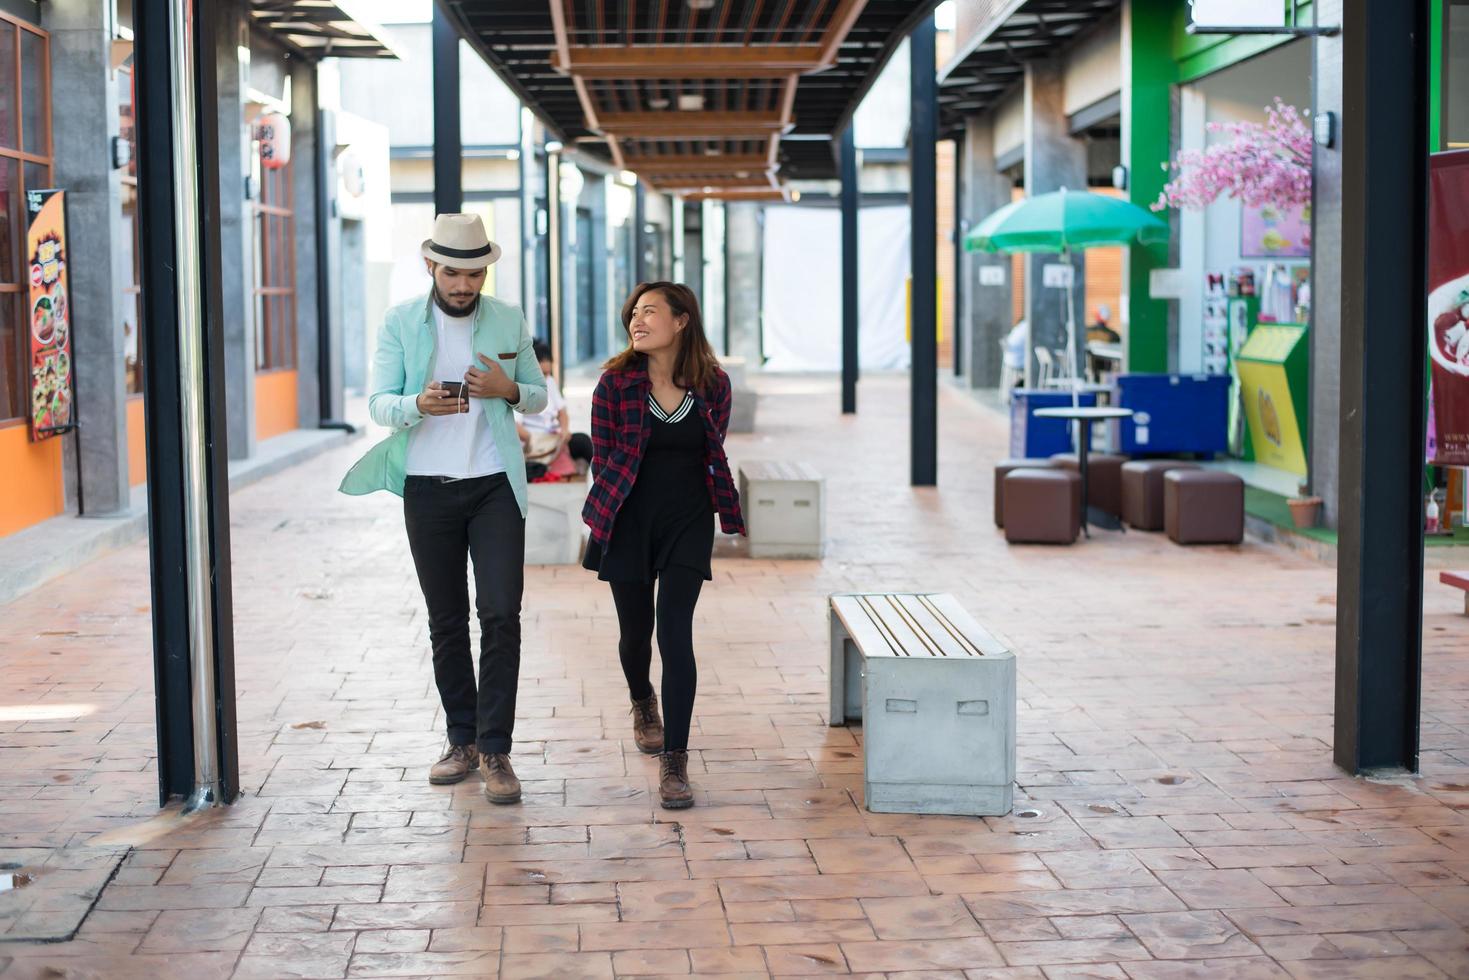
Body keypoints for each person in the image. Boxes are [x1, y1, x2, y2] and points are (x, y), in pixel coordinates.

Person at [339, 213, 547, 804]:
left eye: (475, 273)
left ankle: (496, 748)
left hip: (494, 486)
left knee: (502, 612)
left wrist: (506, 391)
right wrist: (416, 404)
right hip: (428, 488)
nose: (464, 285)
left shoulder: (507, 317)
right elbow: (378, 402)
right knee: (447, 619)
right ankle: (463, 740)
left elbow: (537, 393)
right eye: (454, 272)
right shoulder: (401, 321)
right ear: (431, 266)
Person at [581, 281, 745, 810]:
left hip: (687, 519)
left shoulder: (712, 384)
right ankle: (641, 699)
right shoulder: (615, 384)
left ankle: (675, 759)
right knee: (636, 633)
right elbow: (602, 458)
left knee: (675, 633)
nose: (638, 319)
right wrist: (610, 520)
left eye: (650, 311)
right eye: (634, 312)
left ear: (681, 321)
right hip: (627, 516)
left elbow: (712, 449)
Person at [517, 339, 592, 480]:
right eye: (542, 374)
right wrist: (532, 440)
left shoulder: (549, 381)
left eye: (548, 373)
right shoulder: (520, 386)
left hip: (555, 439)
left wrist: (564, 430)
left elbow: (562, 412)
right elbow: (515, 425)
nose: (546, 377)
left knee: (584, 442)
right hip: (536, 443)